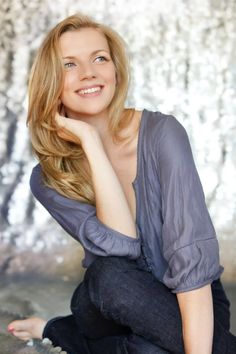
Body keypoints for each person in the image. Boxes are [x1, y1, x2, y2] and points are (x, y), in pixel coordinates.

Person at [7, 12, 236, 354]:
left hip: (190, 298)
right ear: (50, 81)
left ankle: (60, 332)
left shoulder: (162, 133)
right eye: (69, 64)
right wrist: (90, 142)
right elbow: (121, 247)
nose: (89, 73)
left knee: (150, 349)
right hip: (109, 300)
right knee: (110, 276)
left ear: (115, 70)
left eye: (100, 58)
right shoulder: (48, 177)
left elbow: (191, 261)